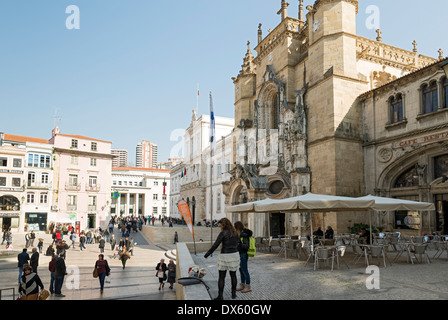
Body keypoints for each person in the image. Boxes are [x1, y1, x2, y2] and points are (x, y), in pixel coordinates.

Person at [204, 218, 239, 300]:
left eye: (221, 225)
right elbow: (238, 243)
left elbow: (215, 245)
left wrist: (207, 254)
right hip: (234, 255)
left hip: (225, 255)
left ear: (224, 225)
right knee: (233, 276)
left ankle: (220, 296)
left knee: (221, 277)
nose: (220, 227)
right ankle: (233, 294)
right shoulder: (235, 233)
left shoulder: (223, 233)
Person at [234, 221, 253, 293]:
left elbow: (246, 246)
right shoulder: (239, 234)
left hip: (243, 254)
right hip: (239, 254)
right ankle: (242, 285)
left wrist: (239, 244)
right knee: (241, 270)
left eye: (235, 227)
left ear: (237, 227)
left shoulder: (244, 235)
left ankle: (248, 286)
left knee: (245, 270)